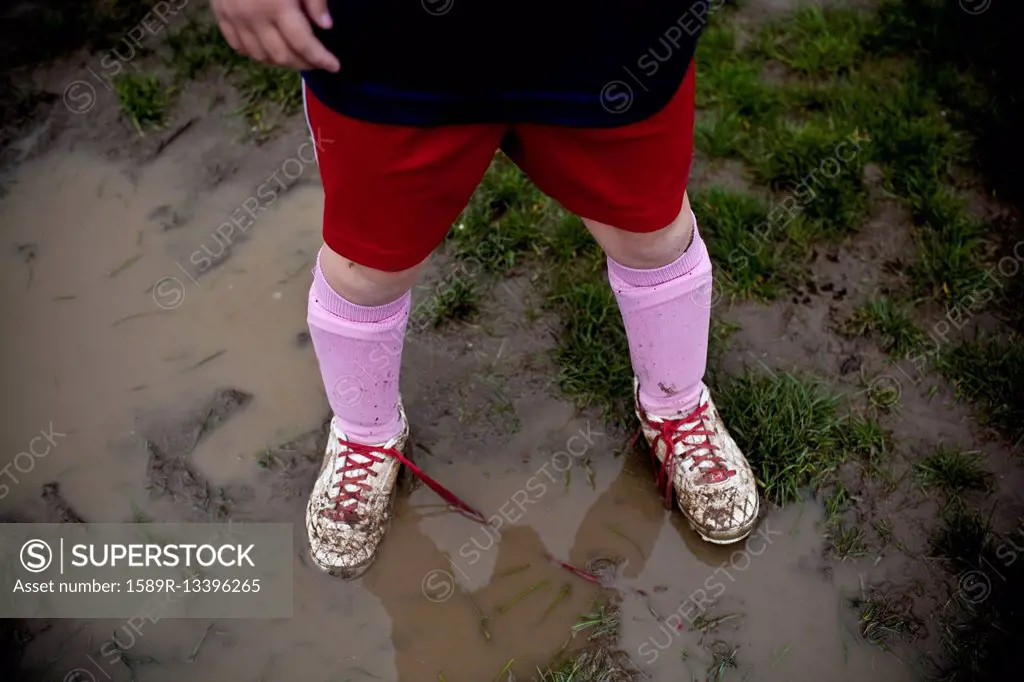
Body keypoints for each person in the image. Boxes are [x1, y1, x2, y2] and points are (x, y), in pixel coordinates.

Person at [210, 0, 758, 578]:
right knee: (367, 265)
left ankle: (676, 407)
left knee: (651, 234)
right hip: (392, 39)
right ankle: (366, 433)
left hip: (609, 32)